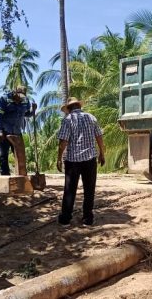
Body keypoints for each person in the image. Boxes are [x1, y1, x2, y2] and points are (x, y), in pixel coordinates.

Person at [56, 97, 105, 227]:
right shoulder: (91, 117)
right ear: (79, 106)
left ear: (69, 109)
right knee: (89, 190)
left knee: (70, 190)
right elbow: (99, 136)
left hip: (73, 161)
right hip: (90, 159)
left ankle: (66, 219)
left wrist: (59, 158)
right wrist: (102, 153)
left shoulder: (67, 120)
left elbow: (63, 142)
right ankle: (87, 218)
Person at [0, 86, 36, 176]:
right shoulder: (4, 99)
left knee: (20, 154)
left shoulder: (25, 100)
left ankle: (21, 176)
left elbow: (27, 114)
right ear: (15, 93)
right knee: (3, 155)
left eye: (22, 96)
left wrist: (33, 110)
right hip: (5, 131)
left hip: (17, 132)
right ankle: (5, 175)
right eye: (19, 96)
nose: (20, 99)